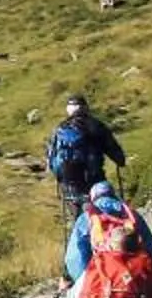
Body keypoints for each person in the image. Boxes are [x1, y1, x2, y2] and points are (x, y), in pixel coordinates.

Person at [45, 93, 128, 224]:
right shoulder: (96, 126)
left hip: (69, 182)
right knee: (103, 213)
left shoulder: (60, 129)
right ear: (86, 108)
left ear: (69, 110)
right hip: (95, 179)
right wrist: (120, 160)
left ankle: (80, 233)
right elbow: (116, 154)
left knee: (78, 219)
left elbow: (51, 158)